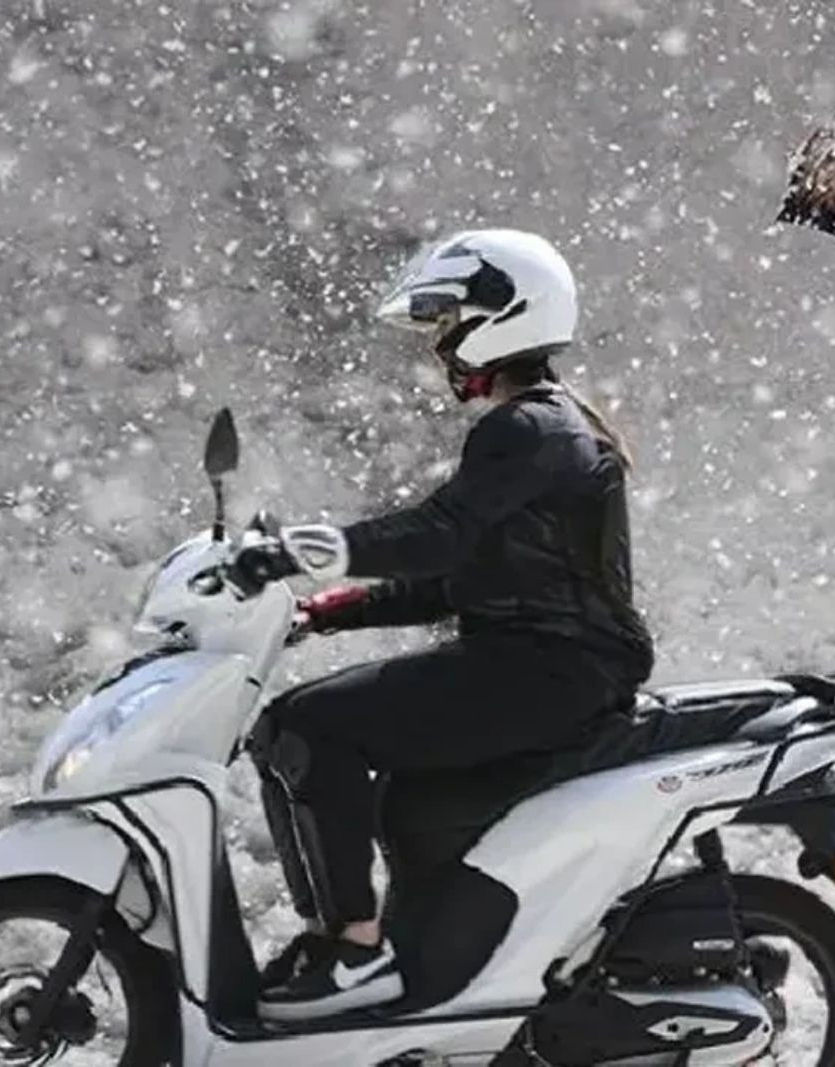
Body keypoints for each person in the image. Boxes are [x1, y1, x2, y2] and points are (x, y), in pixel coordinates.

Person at [231, 228, 654, 1022]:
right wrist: (333, 609)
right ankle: (418, 965)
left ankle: (351, 950)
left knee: (304, 727)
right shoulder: (547, 424)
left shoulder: (528, 429)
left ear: (506, 315)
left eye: (451, 323)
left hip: (548, 669)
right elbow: (463, 577)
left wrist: (297, 551)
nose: (441, 346)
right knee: (409, 801)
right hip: (553, 665)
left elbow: (437, 536)